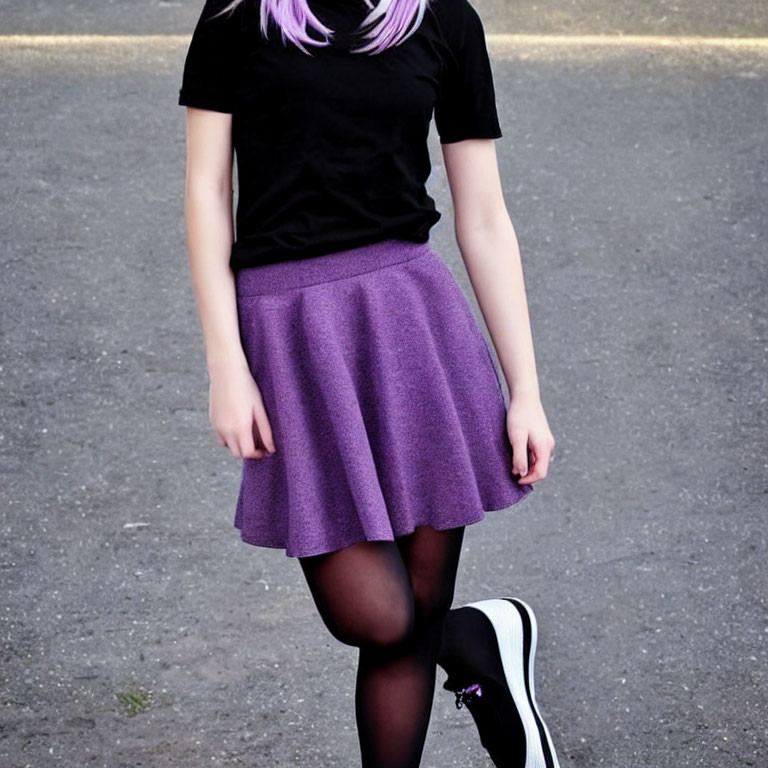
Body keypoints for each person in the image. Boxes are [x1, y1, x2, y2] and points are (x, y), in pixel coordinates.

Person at [178, 0, 558, 766]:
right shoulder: (237, 17)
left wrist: (526, 388)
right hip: (291, 334)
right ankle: (475, 639)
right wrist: (226, 361)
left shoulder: (446, 20)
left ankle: (468, 638)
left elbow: (482, 215)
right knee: (380, 617)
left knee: (407, 619)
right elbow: (205, 194)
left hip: (411, 327)